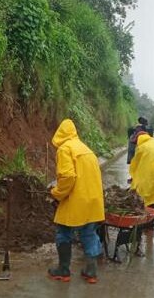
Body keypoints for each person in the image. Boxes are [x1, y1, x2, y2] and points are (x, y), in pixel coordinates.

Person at [48, 119, 105, 284]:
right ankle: (91, 272)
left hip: (76, 200)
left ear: (60, 133)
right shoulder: (87, 150)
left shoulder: (65, 149)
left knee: (63, 232)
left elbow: (67, 177)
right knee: (88, 234)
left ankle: (63, 270)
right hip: (93, 200)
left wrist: (56, 193)